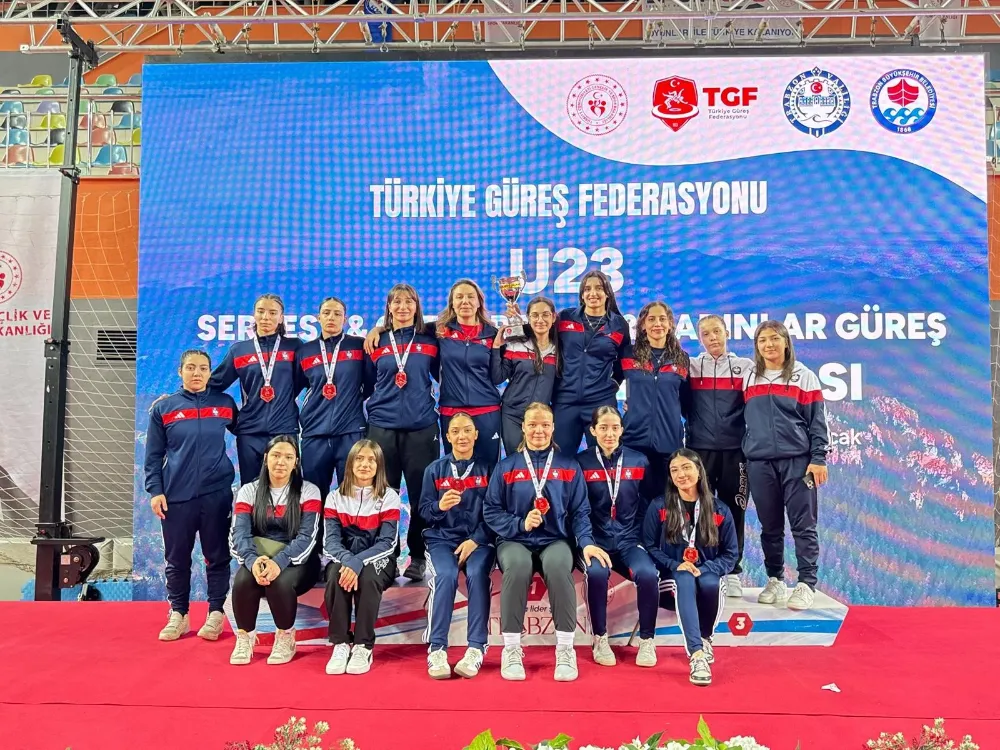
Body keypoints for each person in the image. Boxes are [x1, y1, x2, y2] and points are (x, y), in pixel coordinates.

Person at [483, 402, 610, 682]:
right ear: (523, 428)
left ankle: (565, 649)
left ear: (553, 428)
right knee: (517, 566)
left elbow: (580, 511)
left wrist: (586, 542)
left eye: (544, 425)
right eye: (532, 424)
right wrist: (519, 524)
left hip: (555, 539)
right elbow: (491, 510)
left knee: (558, 566)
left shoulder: (569, 466)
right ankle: (511, 649)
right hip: (515, 539)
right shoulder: (506, 467)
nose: (538, 430)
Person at [145, 349, 238, 642]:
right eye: (190, 367)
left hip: (216, 495)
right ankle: (179, 614)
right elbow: (153, 456)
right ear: (180, 371)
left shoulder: (225, 403)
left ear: (210, 372)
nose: (197, 373)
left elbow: (248, 432)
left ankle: (216, 613)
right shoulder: (164, 408)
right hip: (176, 497)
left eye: (203, 368)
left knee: (217, 557)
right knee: (177, 559)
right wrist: (155, 490)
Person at [742, 320, 829, 611]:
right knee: (770, 526)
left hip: (798, 462)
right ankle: (775, 579)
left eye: (774, 338)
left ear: (786, 342)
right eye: (762, 340)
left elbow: (817, 422)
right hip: (760, 462)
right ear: (757, 346)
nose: (769, 344)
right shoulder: (749, 377)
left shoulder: (804, 376)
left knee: (804, 526)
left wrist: (818, 459)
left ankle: (806, 583)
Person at [642, 449, 738, 687]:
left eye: (686, 467)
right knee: (684, 578)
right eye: (674, 470)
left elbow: (731, 555)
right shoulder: (659, 506)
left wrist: (706, 568)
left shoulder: (720, 510)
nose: (681, 474)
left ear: (699, 471)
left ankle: (706, 639)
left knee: (710, 582)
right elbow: (649, 546)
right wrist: (675, 564)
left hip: (707, 574)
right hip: (671, 577)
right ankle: (696, 655)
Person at [364, 283, 440, 582]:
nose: (403, 307)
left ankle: (418, 557)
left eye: (409, 301)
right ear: (389, 307)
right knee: (384, 495)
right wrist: (376, 328)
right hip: (382, 426)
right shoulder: (376, 341)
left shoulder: (431, 338)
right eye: (397, 302)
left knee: (422, 495)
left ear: (417, 306)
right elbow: (366, 383)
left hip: (422, 427)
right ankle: (387, 555)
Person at [228, 435, 322, 666]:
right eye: (276, 455)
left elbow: (307, 538)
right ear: (265, 458)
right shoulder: (249, 491)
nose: (281, 462)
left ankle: (285, 636)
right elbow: (239, 535)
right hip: (260, 556)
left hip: (299, 561)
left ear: (296, 462)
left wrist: (278, 562)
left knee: (279, 581)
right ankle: (245, 637)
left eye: (288, 457)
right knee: (242, 580)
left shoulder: (309, 491)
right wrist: (252, 561)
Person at [576, 406, 659, 668]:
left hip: (628, 540)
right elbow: (578, 509)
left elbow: (649, 503)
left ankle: (647, 640)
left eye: (614, 428)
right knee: (597, 573)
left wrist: (642, 538)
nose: (609, 434)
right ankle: (600, 638)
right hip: (596, 541)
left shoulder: (639, 461)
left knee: (648, 574)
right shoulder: (581, 463)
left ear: (622, 430)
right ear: (593, 431)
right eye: (603, 428)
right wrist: (586, 542)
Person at [419, 412, 495, 679]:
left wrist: (477, 539)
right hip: (442, 540)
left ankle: (476, 648)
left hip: (479, 541)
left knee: (477, 574)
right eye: (455, 431)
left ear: (476, 435)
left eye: (467, 430)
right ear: (448, 437)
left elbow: (496, 512)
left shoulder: (489, 469)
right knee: (446, 575)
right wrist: (439, 507)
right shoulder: (434, 470)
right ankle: (437, 648)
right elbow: (423, 512)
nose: (462, 436)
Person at [688, 314, 755, 599]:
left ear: (727, 332)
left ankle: (733, 571)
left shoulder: (745, 367)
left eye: (716, 331)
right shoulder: (691, 367)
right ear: (699, 338)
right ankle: (701, 567)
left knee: (734, 511)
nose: (712, 337)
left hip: (735, 451)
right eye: (706, 334)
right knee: (700, 509)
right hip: (699, 450)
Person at [322, 439, 401, 676]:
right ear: (350, 463)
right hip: (344, 558)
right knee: (335, 575)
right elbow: (331, 542)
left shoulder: (389, 496)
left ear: (379, 466)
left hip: (379, 560)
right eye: (359, 458)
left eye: (371, 460)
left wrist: (358, 562)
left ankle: (363, 645)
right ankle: (340, 643)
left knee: (368, 577)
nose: (365, 465)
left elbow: (387, 543)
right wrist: (349, 561)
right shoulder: (335, 497)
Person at [210, 293, 303, 484]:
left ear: (281, 318)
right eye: (261, 311)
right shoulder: (239, 350)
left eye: (272, 312)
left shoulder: (295, 347)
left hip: (284, 430)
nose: (266, 317)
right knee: (251, 489)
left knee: (287, 490)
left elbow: (311, 379)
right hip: (249, 432)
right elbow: (214, 384)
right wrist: (177, 397)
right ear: (254, 315)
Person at [551, 271, 630, 458]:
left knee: (605, 458)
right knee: (560, 460)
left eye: (599, 288)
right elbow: (541, 339)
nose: (593, 293)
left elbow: (625, 362)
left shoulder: (619, 325)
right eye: (587, 289)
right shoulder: (565, 318)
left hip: (600, 401)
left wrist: (614, 383)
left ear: (607, 293)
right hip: (565, 401)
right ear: (581, 294)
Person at [298, 297, 371, 499]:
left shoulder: (359, 346)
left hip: (350, 432)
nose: (331, 317)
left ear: (345, 319)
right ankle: (316, 524)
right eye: (327, 313)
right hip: (315, 433)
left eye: (337, 314)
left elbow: (371, 382)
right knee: (313, 496)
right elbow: (295, 386)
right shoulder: (305, 351)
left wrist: (351, 397)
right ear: (318, 317)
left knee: (351, 496)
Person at [622, 301, 690, 493]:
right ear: (643, 325)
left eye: (662, 319)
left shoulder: (681, 358)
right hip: (633, 439)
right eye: (651, 319)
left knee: (664, 501)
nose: (657, 324)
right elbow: (608, 383)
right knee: (633, 500)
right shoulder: (628, 354)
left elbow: (687, 401)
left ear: (670, 324)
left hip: (669, 441)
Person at [435, 280, 502, 470]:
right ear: (452, 303)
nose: (465, 301)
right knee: (455, 471)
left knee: (489, 471)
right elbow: (407, 326)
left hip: (487, 412)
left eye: (471, 297)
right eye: (459, 297)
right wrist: (378, 329)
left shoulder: (493, 334)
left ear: (479, 302)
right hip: (451, 411)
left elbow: (498, 376)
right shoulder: (439, 331)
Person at [491, 296, 559, 457]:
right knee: (516, 461)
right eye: (535, 315)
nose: (540, 320)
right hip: (512, 415)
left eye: (545, 315)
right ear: (528, 318)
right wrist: (496, 347)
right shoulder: (516, 345)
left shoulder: (559, 349)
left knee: (539, 463)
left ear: (553, 317)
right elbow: (497, 377)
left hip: (540, 418)